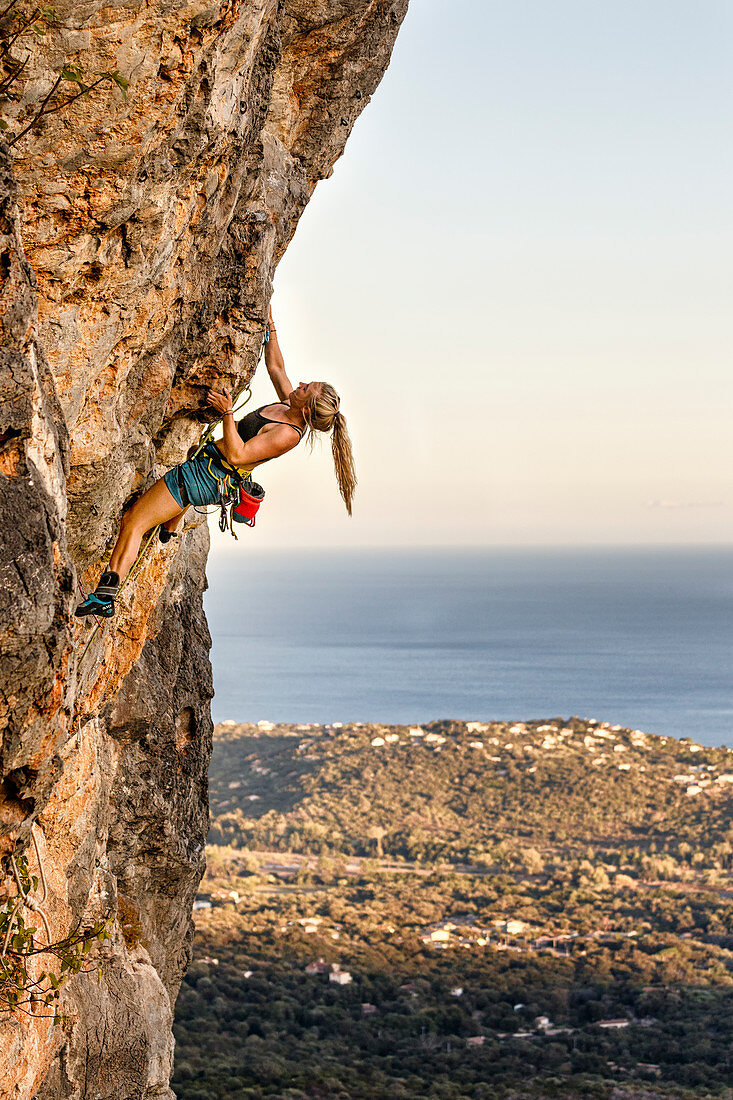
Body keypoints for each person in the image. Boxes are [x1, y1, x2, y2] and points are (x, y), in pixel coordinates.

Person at [75, 307, 357, 618]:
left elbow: (238, 455)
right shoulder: (289, 404)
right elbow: (276, 367)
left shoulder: (287, 434)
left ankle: (105, 596)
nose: (300, 384)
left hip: (207, 477)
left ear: (307, 409)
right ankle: (169, 527)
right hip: (208, 467)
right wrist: (270, 326)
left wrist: (227, 412)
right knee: (161, 505)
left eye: (306, 389)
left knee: (134, 522)